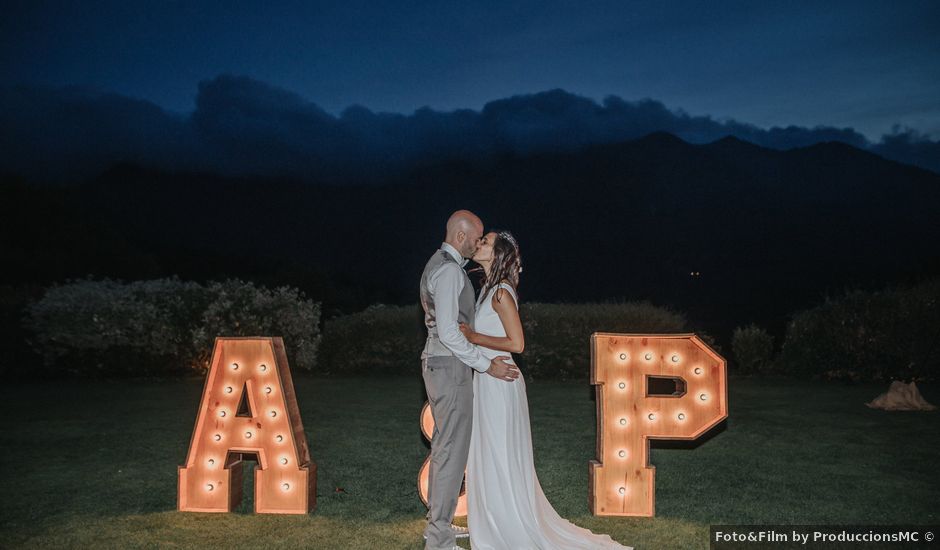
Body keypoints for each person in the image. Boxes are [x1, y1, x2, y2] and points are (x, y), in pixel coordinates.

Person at [460, 231, 632, 550]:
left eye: (485, 241)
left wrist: (473, 337)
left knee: (500, 453)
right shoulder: (486, 290)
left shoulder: (500, 293)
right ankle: (494, 518)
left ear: (497, 255)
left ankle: (509, 524)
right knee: (489, 451)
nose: (479, 243)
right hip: (486, 380)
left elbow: (518, 343)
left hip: (501, 382)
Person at [420, 210, 520, 550]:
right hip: (449, 367)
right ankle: (439, 539)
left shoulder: (441, 266)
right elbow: (450, 332)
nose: (478, 244)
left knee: (446, 448)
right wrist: (486, 364)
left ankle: (439, 527)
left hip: (442, 365)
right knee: (450, 451)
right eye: (476, 238)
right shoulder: (448, 271)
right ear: (461, 237)